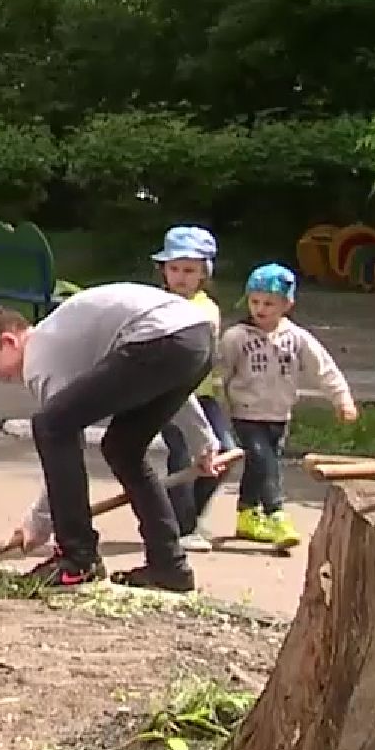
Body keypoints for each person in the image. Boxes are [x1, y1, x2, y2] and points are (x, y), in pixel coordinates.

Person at [0, 282, 223, 592]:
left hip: (163, 339)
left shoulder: (40, 357)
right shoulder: (63, 337)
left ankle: (77, 560)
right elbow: (172, 373)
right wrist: (203, 442)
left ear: (9, 341)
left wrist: (40, 520)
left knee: (49, 425)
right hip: (196, 339)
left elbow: (63, 438)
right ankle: (169, 567)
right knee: (122, 447)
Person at [216, 264, 358, 550]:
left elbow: (323, 368)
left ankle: (246, 514)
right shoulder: (237, 337)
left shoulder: (296, 338)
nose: (261, 309)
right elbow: (220, 372)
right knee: (263, 460)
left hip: (279, 413)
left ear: (287, 304)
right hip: (246, 413)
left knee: (260, 465)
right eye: (255, 301)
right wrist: (218, 408)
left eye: (269, 303)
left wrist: (342, 398)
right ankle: (276, 513)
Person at [150, 226, 234, 552]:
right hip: (169, 395)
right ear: (164, 271)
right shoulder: (155, 303)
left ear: (203, 273)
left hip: (203, 394)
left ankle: (187, 518)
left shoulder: (206, 307)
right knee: (183, 456)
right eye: (174, 269)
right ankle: (181, 528)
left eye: (190, 270)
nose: (181, 277)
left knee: (223, 452)